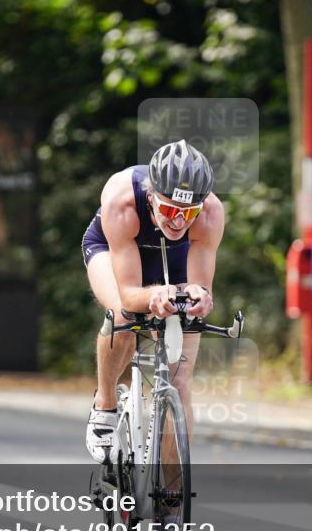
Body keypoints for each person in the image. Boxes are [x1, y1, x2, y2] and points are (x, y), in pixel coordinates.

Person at [81, 140, 224, 463]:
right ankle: (104, 405)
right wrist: (153, 295)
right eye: (171, 209)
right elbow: (131, 293)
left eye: (189, 213)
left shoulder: (210, 213)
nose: (179, 221)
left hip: (174, 258)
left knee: (181, 383)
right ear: (151, 196)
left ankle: (171, 503)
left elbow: (200, 284)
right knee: (123, 315)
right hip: (115, 250)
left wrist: (200, 296)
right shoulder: (123, 200)